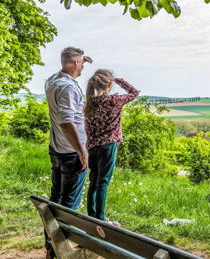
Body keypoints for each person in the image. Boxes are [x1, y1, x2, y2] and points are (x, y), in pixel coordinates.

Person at [44, 47, 92, 258]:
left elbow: (68, 68)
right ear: (74, 64)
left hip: (56, 150)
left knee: (55, 200)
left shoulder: (53, 81)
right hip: (71, 154)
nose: (82, 67)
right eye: (80, 63)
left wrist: (82, 59)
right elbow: (66, 122)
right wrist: (82, 152)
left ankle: (50, 245)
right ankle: (59, 251)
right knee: (68, 206)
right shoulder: (69, 88)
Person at [84, 69, 139, 225]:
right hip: (109, 145)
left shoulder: (89, 103)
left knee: (94, 180)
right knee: (103, 181)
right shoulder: (114, 100)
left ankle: (92, 215)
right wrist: (118, 80)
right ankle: (100, 219)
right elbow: (134, 92)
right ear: (109, 84)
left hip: (93, 146)